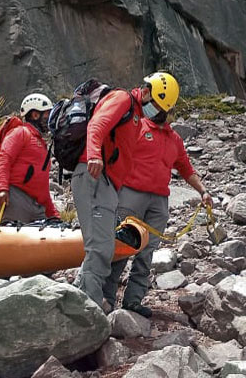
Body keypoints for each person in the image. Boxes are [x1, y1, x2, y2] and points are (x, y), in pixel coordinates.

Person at [102, 72, 212, 317]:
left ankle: (132, 301)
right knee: (121, 248)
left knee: (146, 253)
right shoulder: (137, 126)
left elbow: (185, 168)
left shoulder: (174, 139)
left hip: (158, 202)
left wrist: (203, 191)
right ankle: (106, 298)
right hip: (130, 196)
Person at [71, 77, 152, 308]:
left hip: (105, 184)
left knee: (101, 249)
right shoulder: (123, 98)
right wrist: (94, 154)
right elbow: (97, 125)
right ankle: (90, 310)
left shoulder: (136, 116)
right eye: (155, 104)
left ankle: (77, 301)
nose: (155, 112)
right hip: (94, 176)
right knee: (100, 249)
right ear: (146, 92)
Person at [0, 93, 59, 223]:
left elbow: (42, 186)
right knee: (13, 241)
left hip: (38, 206)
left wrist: (53, 214)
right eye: (47, 114)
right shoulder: (20, 133)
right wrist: (2, 189)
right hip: (16, 200)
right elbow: (4, 159)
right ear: (35, 115)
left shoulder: (41, 144)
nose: (50, 119)